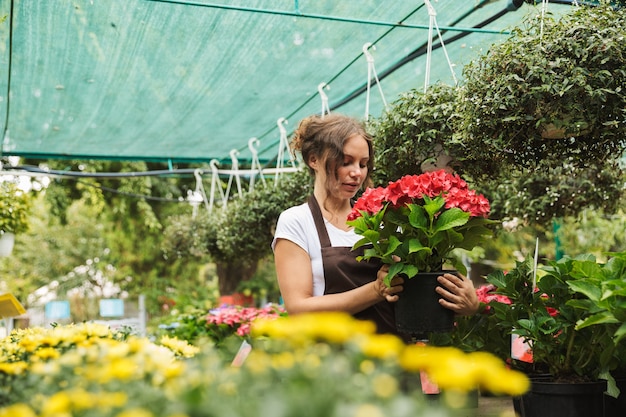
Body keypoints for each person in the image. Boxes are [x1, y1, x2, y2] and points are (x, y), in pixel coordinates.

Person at [271, 113, 479, 340]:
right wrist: (375, 291)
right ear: (313, 159)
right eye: (345, 161)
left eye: (363, 164)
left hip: (395, 360)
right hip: (334, 365)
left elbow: (416, 283)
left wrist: (464, 299)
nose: (357, 173)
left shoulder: (384, 218)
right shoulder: (298, 222)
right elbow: (299, 310)